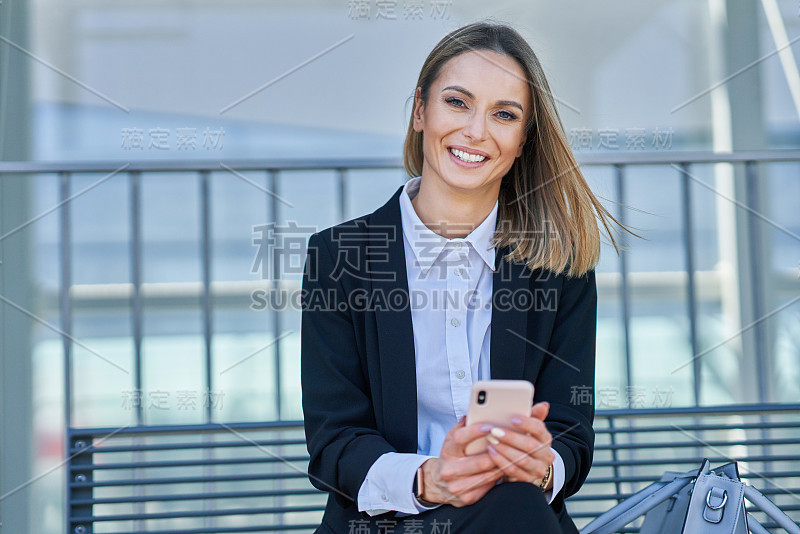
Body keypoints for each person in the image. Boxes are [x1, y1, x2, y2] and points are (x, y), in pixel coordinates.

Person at [300, 21, 623, 534]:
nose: (476, 131)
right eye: (457, 102)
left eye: (504, 114)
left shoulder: (558, 269)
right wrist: (432, 479)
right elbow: (334, 441)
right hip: (385, 523)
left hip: (512, 516)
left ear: (522, 141)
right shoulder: (340, 258)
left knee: (515, 503)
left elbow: (570, 432)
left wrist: (542, 468)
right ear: (419, 112)